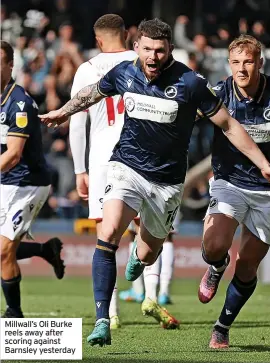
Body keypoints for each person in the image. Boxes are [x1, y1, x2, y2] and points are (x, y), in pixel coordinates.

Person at [39, 19, 270, 347]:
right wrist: (63, 111)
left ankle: (141, 254)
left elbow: (229, 125)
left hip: (166, 183)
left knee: (149, 254)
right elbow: (92, 93)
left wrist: (264, 163)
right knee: (107, 235)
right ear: (136, 47)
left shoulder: (190, 83)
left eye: (159, 50)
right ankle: (103, 319)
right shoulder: (124, 73)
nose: (152, 56)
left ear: (169, 51)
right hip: (126, 167)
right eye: (146, 49)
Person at [69, 14, 179, 331]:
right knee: (155, 232)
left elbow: (77, 121)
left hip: (104, 158)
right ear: (129, 35)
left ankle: (111, 313)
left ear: (98, 40)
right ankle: (152, 297)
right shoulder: (145, 59)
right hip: (147, 154)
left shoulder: (87, 69)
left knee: (108, 235)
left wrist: (79, 170)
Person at [197, 34, 270, 349]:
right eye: (236, 62)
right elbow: (188, 115)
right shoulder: (218, 93)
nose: (242, 69)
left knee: (248, 265)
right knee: (215, 245)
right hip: (229, 182)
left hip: (268, 191)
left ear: (260, 63)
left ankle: (222, 326)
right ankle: (216, 266)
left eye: (248, 61)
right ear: (229, 64)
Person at [0, 40, 64, 319]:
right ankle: (45, 250)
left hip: (28, 184)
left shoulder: (20, 103)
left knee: (3, 251)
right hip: (4, 181)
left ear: (10, 65)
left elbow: (13, 155)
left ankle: (14, 314)